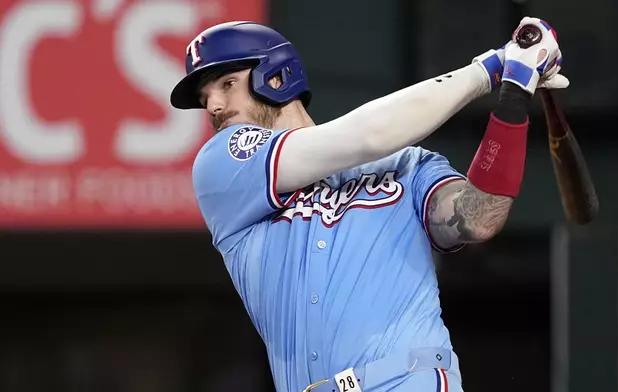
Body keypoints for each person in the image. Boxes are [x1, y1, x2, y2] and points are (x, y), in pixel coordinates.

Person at [170, 17, 568, 392]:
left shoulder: (408, 165)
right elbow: (367, 135)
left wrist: (514, 94)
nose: (214, 106)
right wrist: (493, 66)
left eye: (226, 84)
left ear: (274, 77)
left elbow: (478, 218)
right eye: (206, 97)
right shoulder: (222, 168)